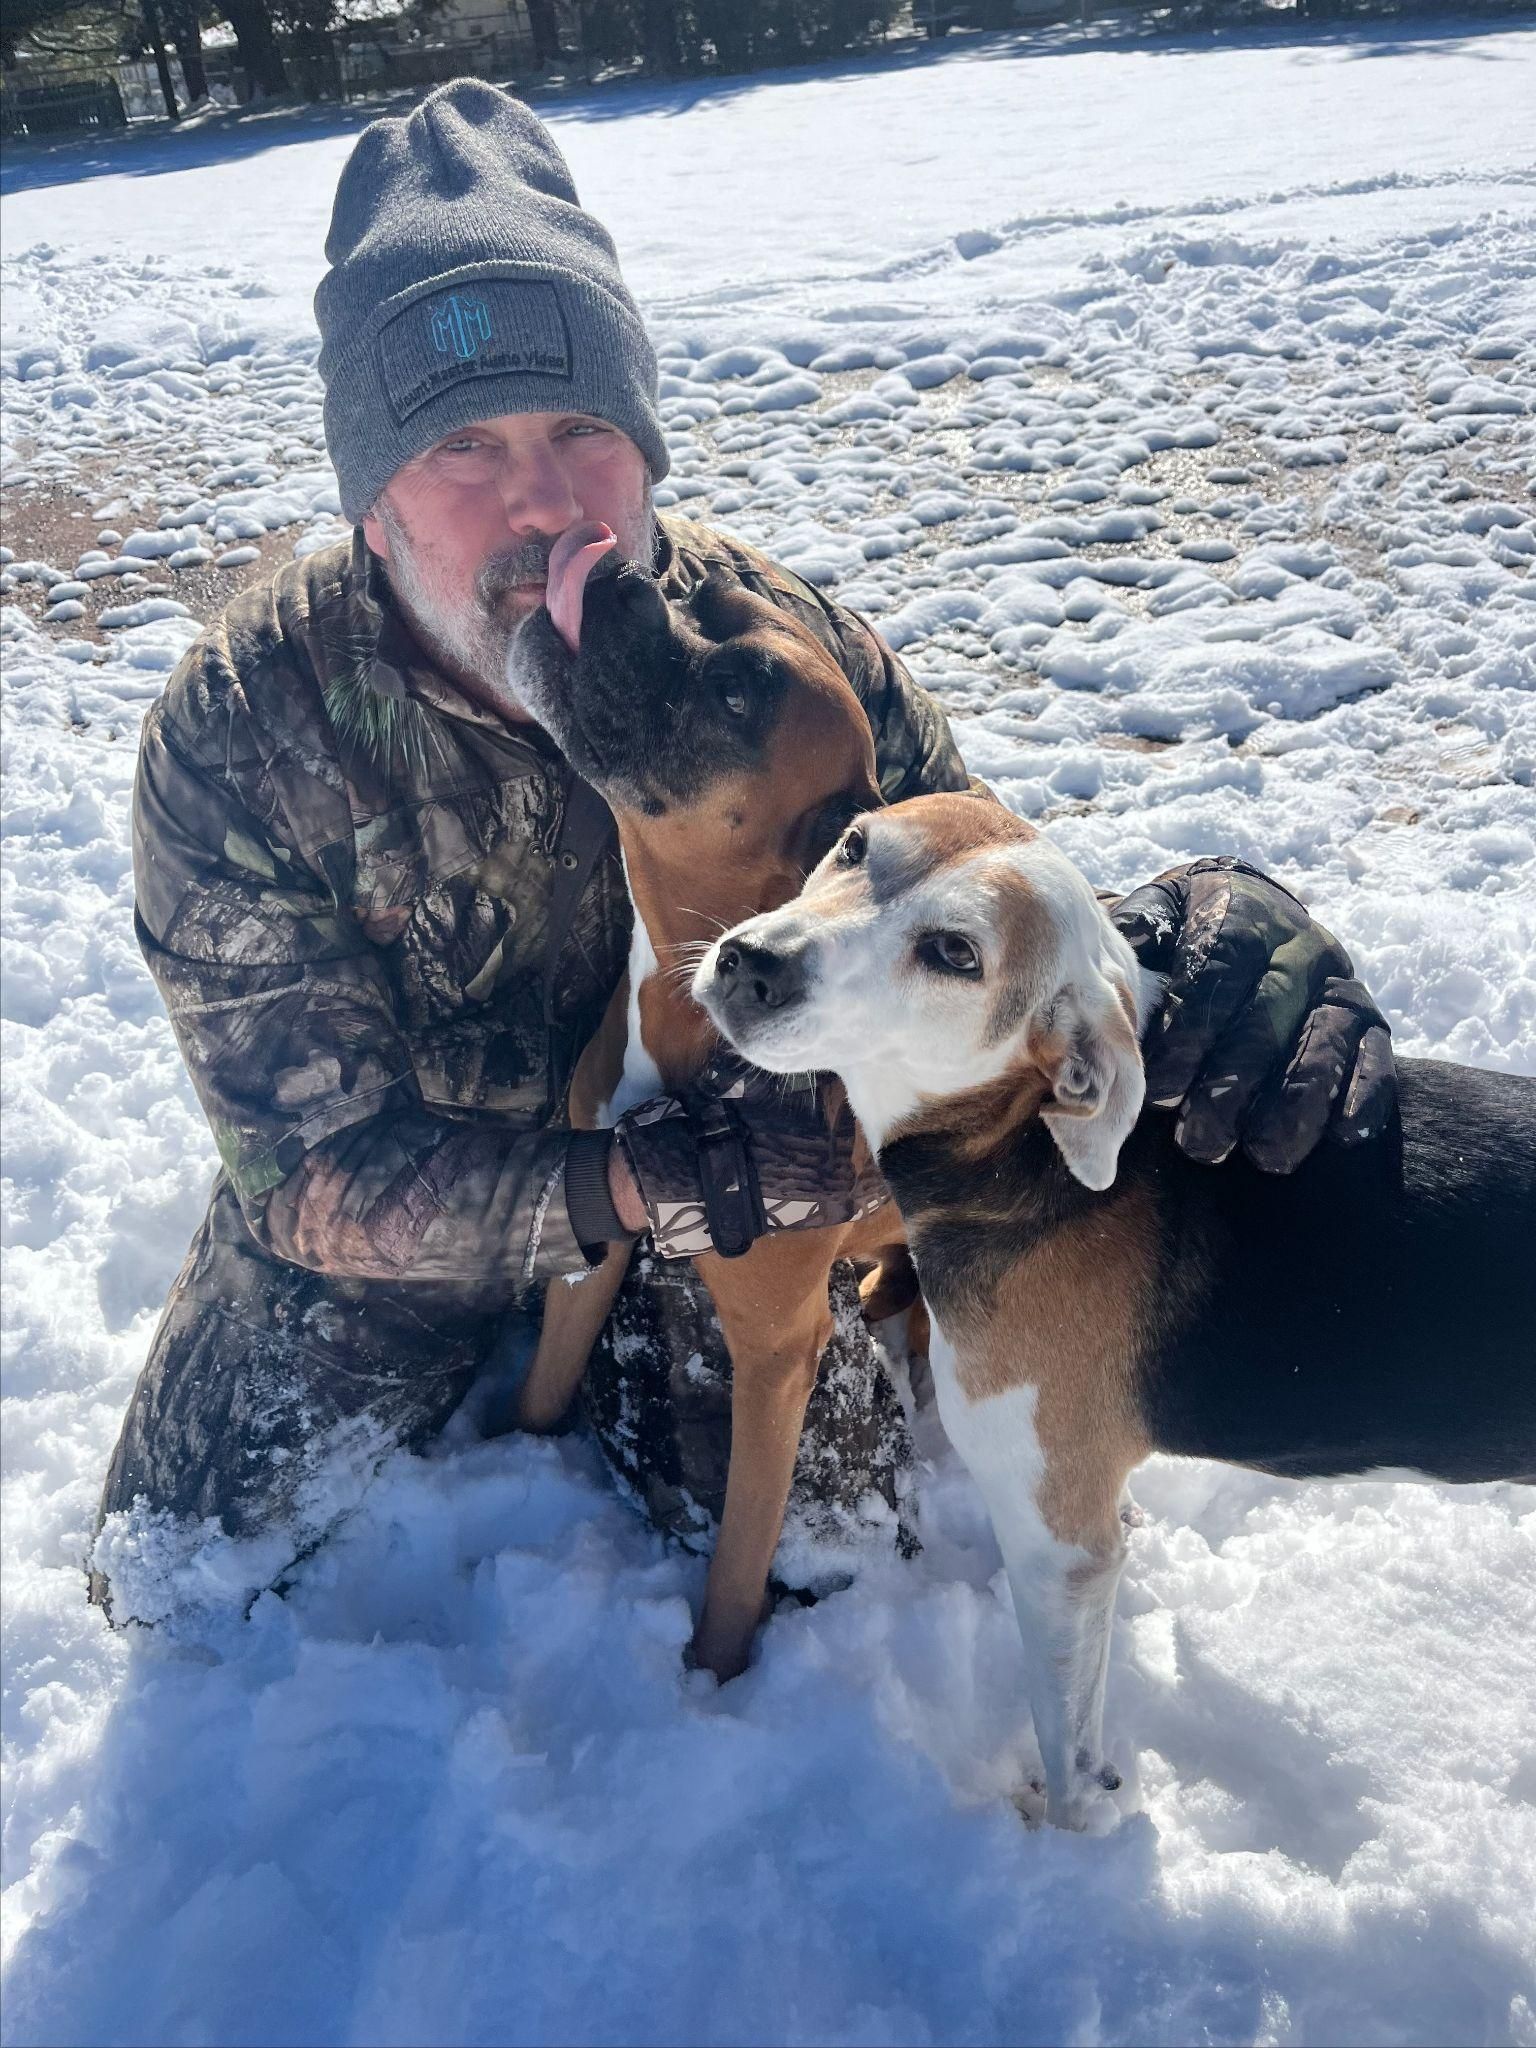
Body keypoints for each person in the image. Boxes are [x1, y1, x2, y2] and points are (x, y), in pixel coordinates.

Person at [89, 80, 1396, 1636]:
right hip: (405, 1222)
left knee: (826, 1560)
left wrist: (1172, 944)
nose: (543, 500)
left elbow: (966, 903)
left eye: (585, 430)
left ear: (644, 453)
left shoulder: (766, 657)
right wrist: (615, 1182)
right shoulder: (244, 728)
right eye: (462, 445)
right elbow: (308, 1173)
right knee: (174, 1583)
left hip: (734, 1184)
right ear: (372, 509)